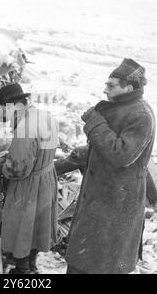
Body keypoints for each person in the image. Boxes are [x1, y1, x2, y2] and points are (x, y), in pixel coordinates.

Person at [64, 58, 156, 274]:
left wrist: (95, 123)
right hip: (104, 198)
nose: (105, 90)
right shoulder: (122, 108)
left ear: (130, 87)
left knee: (100, 264)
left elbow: (122, 154)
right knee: (84, 260)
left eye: (111, 85)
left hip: (115, 203)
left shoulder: (140, 114)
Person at [0, 83, 58, 274]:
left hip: (29, 184)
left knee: (22, 226)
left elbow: (18, 170)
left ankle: (21, 271)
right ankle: (32, 266)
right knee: (37, 226)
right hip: (46, 177)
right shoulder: (44, 115)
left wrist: (2, 166)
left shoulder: (25, 127)